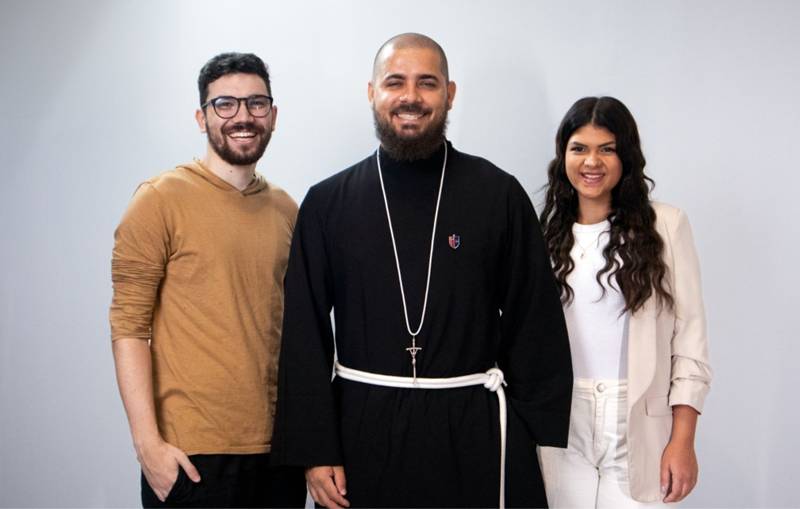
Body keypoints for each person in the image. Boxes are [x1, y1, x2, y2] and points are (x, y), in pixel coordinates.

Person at [270, 33, 572, 508]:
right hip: (360, 433)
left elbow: (534, 321)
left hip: (474, 431)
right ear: (372, 92)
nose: (410, 97)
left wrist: (528, 434)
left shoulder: (498, 196)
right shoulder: (328, 203)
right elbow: (304, 334)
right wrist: (316, 448)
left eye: (427, 83)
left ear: (449, 94)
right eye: (395, 82)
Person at [109, 52, 306, 508]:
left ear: (273, 115)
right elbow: (129, 327)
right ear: (202, 118)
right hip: (192, 456)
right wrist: (147, 445)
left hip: (278, 453)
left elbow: (297, 331)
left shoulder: (287, 210)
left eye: (256, 103)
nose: (243, 116)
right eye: (225, 104)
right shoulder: (159, 200)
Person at [537, 96, 713, 507]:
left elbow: (690, 340)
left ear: (626, 156)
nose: (591, 162)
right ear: (563, 155)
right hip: (562, 417)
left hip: (637, 418)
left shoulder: (666, 225)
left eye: (607, 149)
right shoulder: (542, 234)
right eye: (579, 148)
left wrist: (683, 441)